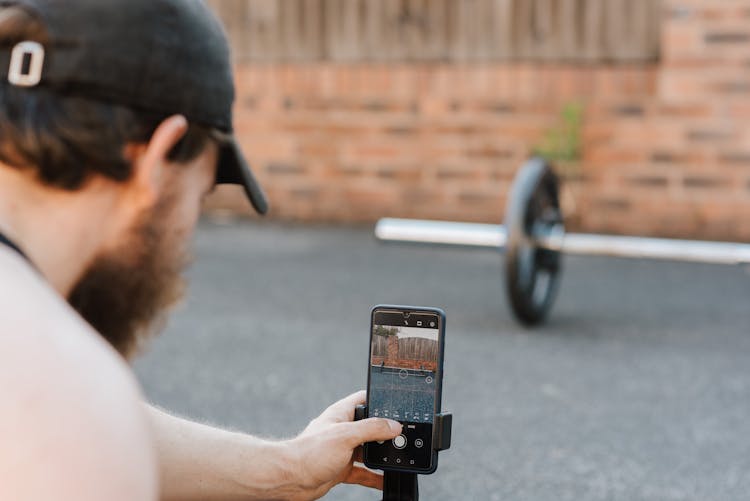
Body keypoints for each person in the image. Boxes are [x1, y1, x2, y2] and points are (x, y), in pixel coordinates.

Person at [0, 1, 402, 499]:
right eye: (203, 192)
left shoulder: (47, 388)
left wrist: (289, 469)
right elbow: (70, 417)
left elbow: (77, 412)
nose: (189, 231)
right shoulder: (65, 408)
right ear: (160, 157)